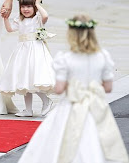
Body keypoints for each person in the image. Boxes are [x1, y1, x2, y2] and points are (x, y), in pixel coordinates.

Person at [18, 14, 129, 163]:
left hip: (71, 106)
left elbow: (59, 88)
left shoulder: (65, 59)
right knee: (94, 141)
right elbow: (108, 87)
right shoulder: (103, 56)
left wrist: (74, 88)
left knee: (61, 141)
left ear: (71, 34)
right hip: (94, 106)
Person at [0, 0, 55, 117]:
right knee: (24, 80)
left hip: (35, 50)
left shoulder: (37, 18)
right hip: (22, 51)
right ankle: (28, 110)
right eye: (23, 6)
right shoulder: (19, 19)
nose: (26, 9)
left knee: (33, 78)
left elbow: (45, 16)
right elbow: (10, 29)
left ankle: (47, 101)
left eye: (29, 6)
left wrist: (38, 4)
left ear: (34, 7)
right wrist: (5, 18)